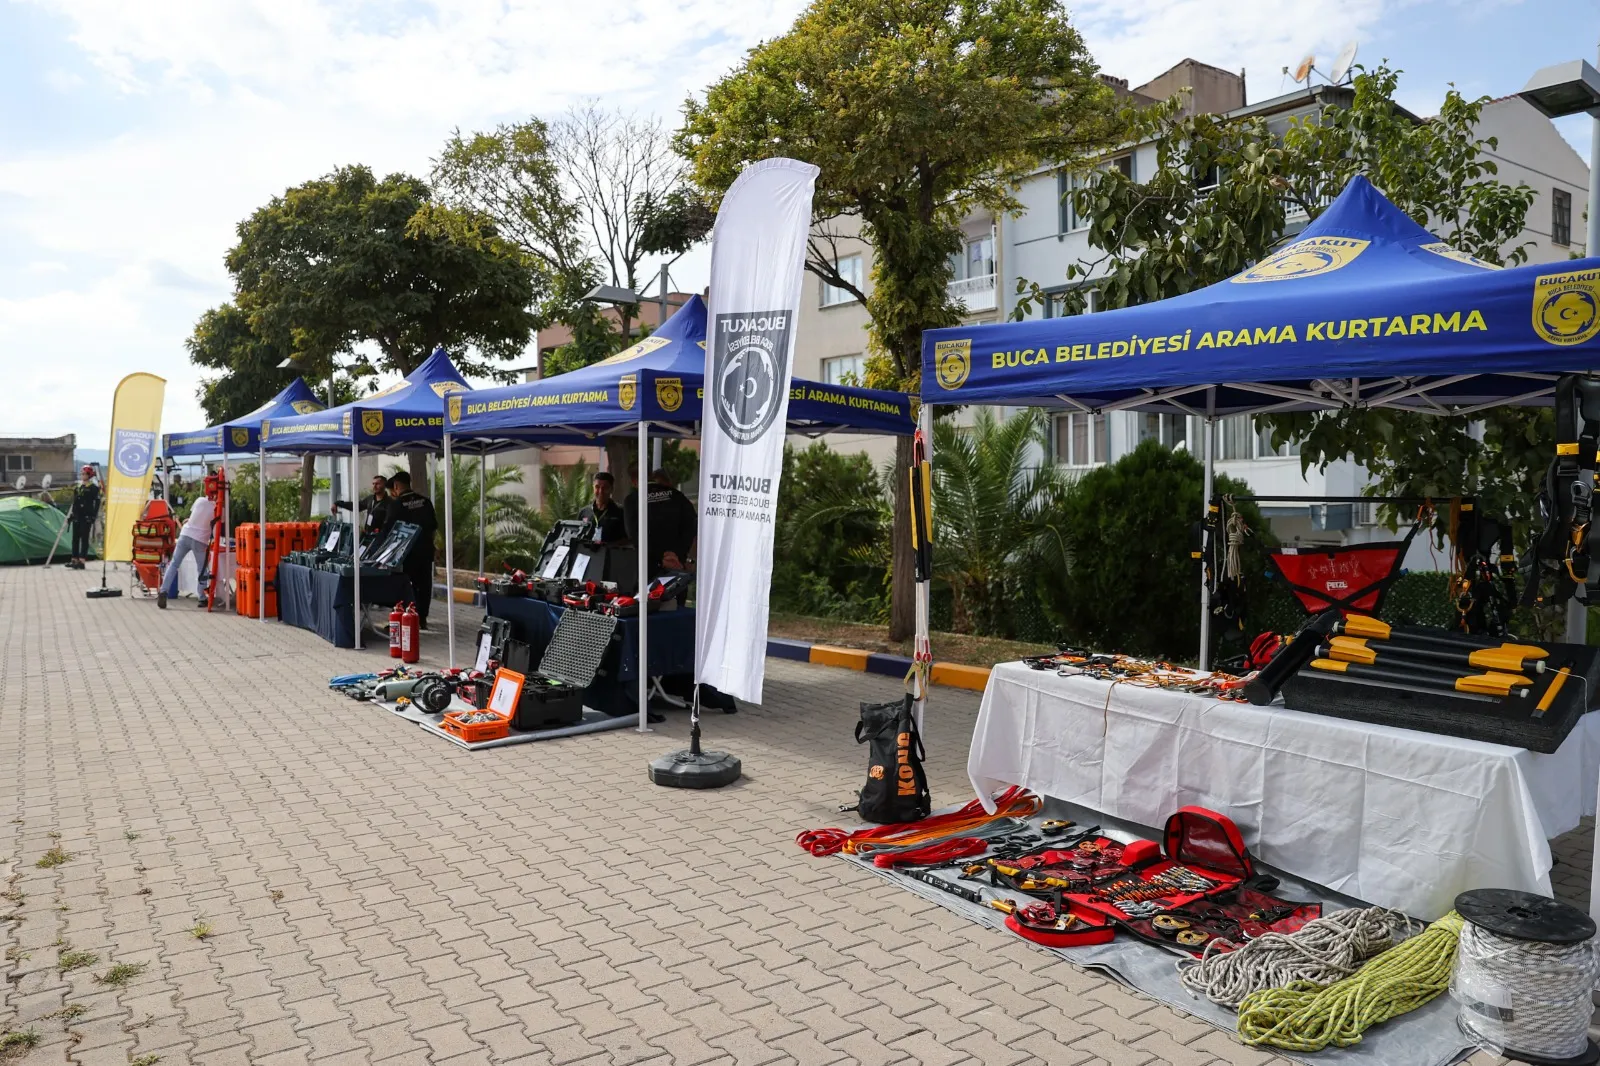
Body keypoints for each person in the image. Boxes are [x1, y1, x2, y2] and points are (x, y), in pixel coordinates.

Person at [387, 470, 438, 628]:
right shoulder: (425, 501)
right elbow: (433, 526)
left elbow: (389, 530)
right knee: (424, 585)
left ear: (396, 486)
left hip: (406, 553)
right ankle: (421, 618)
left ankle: (405, 617)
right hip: (425, 550)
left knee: (403, 584)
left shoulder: (396, 505)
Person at [624, 466, 697, 578]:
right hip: (676, 565)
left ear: (634, 481)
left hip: (647, 568)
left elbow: (634, 535)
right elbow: (691, 527)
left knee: (646, 595)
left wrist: (660, 558)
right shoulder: (678, 496)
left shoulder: (632, 500)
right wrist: (677, 554)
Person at [158, 486, 216, 609]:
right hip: (200, 540)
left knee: (174, 564)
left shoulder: (199, 500)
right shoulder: (217, 507)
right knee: (202, 569)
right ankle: (201, 597)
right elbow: (215, 527)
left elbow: (194, 516)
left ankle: (163, 591)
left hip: (185, 534)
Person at [579, 471, 629, 544]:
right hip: (587, 554)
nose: (600, 491)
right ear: (593, 488)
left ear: (611, 489)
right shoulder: (584, 512)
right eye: (597, 487)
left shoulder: (621, 512)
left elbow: (627, 539)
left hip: (610, 554)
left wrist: (608, 545)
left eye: (605, 488)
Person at [68, 466, 101, 570]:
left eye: (84, 474)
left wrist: (93, 516)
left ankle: (82, 560)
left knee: (84, 538)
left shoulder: (94, 488)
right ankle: (74, 559)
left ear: (89, 475)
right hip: (77, 516)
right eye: (81, 474)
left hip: (86, 516)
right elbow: (75, 502)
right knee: (75, 538)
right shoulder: (78, 487)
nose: (82, 476)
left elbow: (97, 502)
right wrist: (72, 514)